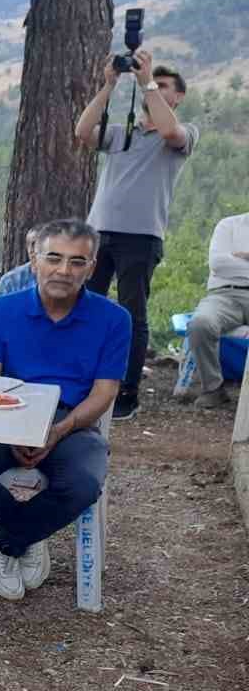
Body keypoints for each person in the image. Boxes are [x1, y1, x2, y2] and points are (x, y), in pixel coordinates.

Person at [0, 220, 129, 600]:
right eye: (54, 258)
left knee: (83, 484)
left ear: (92, 267)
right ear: (34, 259)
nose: (64, 271)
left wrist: (59, 430)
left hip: (73, 421)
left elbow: (105, 391)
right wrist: (16, 432)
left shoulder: (114, 319)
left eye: (77, 262)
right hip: (8, 415)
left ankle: (9, 538)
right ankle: (30, 528)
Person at [76, 54, 198, 421]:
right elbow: (82, 132)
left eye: (164, 86)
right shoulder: (121, 130)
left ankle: (127, 390)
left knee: (132, 314)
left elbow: (170, 132)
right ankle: (83, 378)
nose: (155, 87)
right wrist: (109, 83)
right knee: (84, 306)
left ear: (177, 97)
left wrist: (146, 82)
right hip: (98, 233)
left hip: (141, 237)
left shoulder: (183, 132)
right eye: (152, 83)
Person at [183, 210, 249, 410]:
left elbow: (227, 263)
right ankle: (213, 388)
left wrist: (242, 257)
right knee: (200, 324)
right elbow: (219, 264)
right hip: (224, 295)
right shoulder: (229, 225)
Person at [0, 226, 41, 298]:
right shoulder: (10, 281)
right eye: (31, 244)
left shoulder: (60, 277)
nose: (33, 250)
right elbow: (3, 308)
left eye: (39, 244)